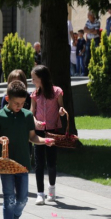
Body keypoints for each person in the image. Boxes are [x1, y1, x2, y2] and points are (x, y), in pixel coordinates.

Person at [0, 80, 55, 219]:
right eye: (16, 103)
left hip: (23, 163)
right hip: (6, 164)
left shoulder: (27, 116)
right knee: (8, 199)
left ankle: (15, 218)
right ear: (7, 99)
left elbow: (32, 137)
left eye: (22, 103)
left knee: (23, 199)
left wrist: (44, 140)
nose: (19, 106)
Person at [30, 65, 67, 205]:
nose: (33, 81)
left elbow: (61, 108)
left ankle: (51, 189)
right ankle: (40, 194)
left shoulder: (57, 91)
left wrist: (62, 111)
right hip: (39, 132)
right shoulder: (34, 94)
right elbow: (31, 112)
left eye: (34, 78)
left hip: (53, 131)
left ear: (42, 78)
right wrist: (35, 122)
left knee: (51, 163)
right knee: (39, 164)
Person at [84, 11, 101, 75]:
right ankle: (86, 71)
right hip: (89, 40)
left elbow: (96, 32)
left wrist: (89, 30)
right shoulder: (87, 22)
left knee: (95, 54)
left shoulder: (97, 22)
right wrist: (91, 30)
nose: (87, 17)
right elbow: (84, 30)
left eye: (88, 15)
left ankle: (95, 69)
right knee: (87, 55)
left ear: (92, 16)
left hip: (95, 39)